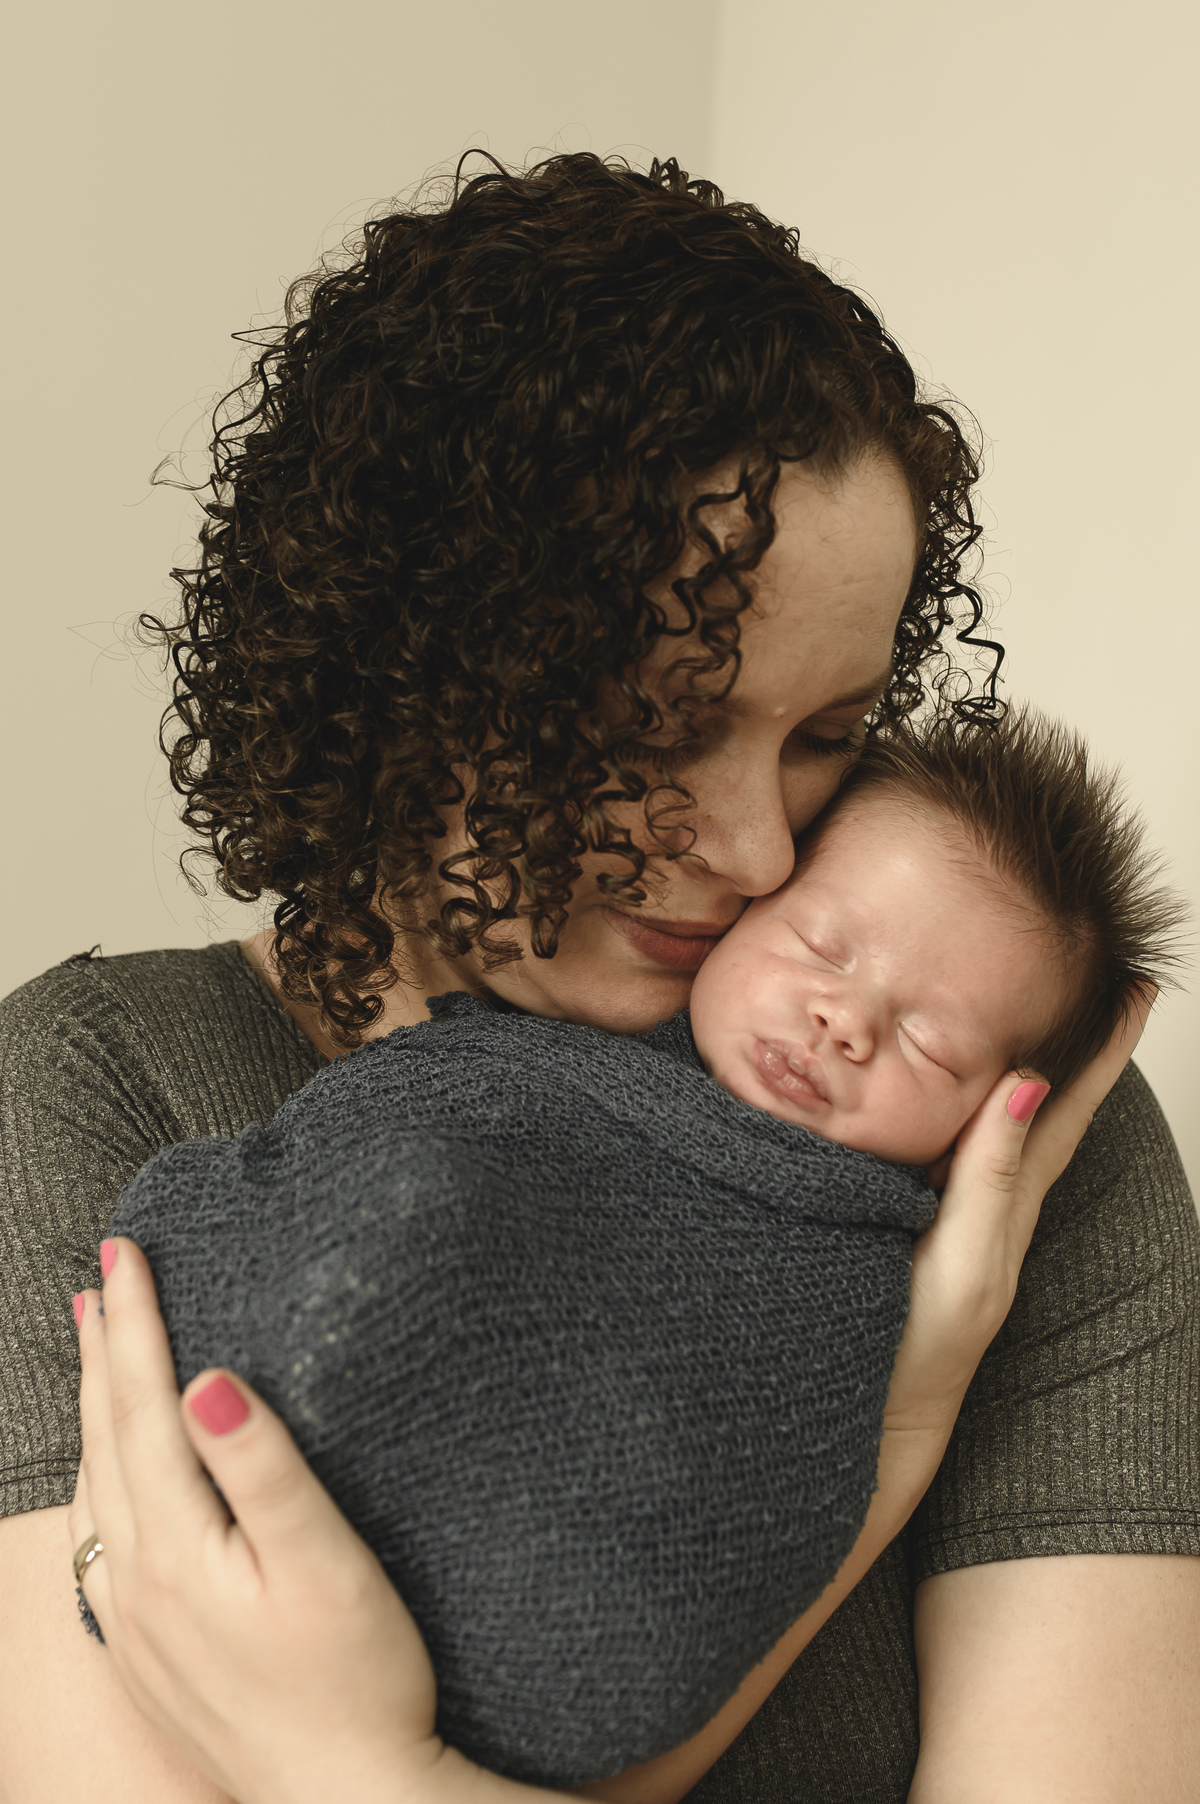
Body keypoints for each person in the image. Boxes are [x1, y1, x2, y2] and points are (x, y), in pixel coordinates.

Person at [1, 152, 1196, 1804]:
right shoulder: (99, 1081)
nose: (761, 851)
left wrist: (354, 1771)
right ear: (412, 668)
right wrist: (895, 1430)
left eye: (829, 734)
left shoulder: (979, 1118)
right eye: (656, 727)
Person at [92, 708, 1183, 1791]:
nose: (843, 1020)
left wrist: (365, 1770)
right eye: (819, 947)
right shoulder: (104, 1063)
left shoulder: (982, 1219)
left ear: (984, 1122)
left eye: (930, 1046)